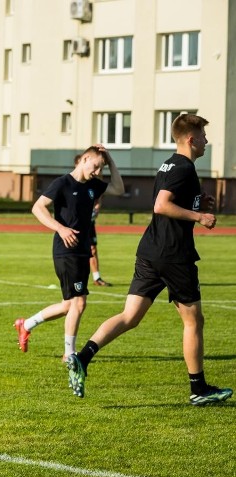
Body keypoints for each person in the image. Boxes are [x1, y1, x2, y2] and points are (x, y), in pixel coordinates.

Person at [66, 114, 232, 405]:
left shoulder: (170, 163)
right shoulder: (183, 167)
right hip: (173, 255)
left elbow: (171, 198)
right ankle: (199, 388)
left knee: (130, 317)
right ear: (191, 139)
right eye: (203, 136)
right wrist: (199, 216)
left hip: (150, 251)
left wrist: (197, 201)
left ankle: (82, 356)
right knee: (194, 320)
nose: (207, 141)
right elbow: (161, 205)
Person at [13, 144, 124, 359]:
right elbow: (38, 207)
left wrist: (110, 160)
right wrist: (60, 228)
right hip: (66, 251)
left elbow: (119, 189)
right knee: (79, 303)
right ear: (84, 160)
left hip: (82, 251)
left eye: (102, 168)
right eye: (96, 166)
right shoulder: (63, 183)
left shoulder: (93, 185)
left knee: (68, 305)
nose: (98, 172)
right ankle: (69, 354)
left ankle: (26, 324)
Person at [89, 196, 112, 287]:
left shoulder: (94, 187)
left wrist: (97, 207)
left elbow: (98, 199)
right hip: (78, 224)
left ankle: (97, 278)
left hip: (90, 225)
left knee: (93, 250)